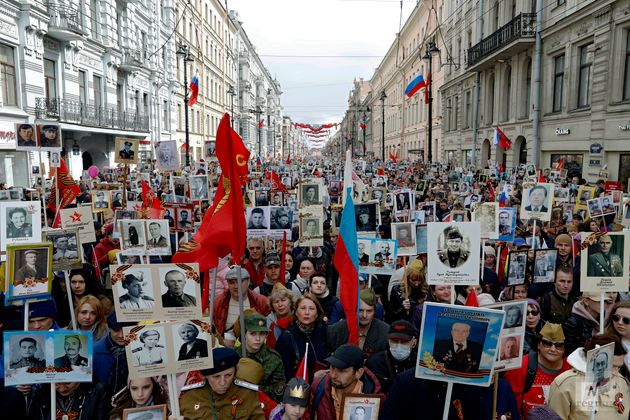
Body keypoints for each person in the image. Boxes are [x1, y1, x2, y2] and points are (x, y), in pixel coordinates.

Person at [548, 335, 629, 420]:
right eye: (612, 366)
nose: (616, 373)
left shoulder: (621, 381)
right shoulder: (565, 383)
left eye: (619, 367)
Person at [504, 323, 571, 417]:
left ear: (564, 348)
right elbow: (510, 408)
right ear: (539, 345)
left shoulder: (571, 369)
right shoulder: (521, 367)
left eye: (558, 345)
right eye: (547, 343)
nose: (553, 349)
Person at [179, 347, 265, 419]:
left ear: (235, 373)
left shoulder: (247, 393)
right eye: (216, 377)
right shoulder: (190, 397)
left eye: (228, 375)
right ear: (206, 376)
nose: (223, 382)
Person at [310, 344, 381, 419]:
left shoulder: (375, 400)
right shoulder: (317, 388)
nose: (333, 375)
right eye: (332, 367)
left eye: (342, 371)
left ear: (358, 373)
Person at [275, 294, 328, 381]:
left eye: (311, 309)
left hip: (323, 383)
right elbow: (282, 373)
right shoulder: (287, 337)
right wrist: (312, 377)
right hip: (298, 388)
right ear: (296, 312)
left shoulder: (323, 331)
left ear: (317, 313)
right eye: (303, 308)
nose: (307, 312)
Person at [235, 312, 286, 402]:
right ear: (244, 334)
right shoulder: (234, 356)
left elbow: (279, 391)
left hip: (263, 404)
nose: (258, 338)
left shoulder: (273, 358)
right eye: (253, 334)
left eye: (262, 334)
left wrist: (254, 388)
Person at [328, 289, 390, 358]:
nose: (364, 315)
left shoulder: (385, 332)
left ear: (374, 311)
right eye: (360, 310)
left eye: (369, 311)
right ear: (354, 309)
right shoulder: (335, 330)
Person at [213, 266, 270, 339]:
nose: (236, 286)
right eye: (232, 282)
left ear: (248, 281)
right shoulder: (218, 303)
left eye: (240, 281)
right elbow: (213, 329)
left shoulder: (261, 302)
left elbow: (267, 329)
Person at [366, 320, 418, 394]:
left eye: (404, 341)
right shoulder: (375, 362)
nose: (399, 345)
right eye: (395, 341)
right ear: (388, 340)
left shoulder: (419, 365)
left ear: (414, 342)